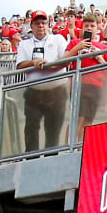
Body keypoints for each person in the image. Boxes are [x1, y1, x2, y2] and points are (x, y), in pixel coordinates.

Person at [15, 12, 70, 152]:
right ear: (31, 26)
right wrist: (33, 63)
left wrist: (48, 64)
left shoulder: (58, 39)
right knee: (31, 129)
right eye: (37, 23)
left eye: (43, 23)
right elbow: (19, 65)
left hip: (57, 91)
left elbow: (66, 59)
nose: (41, 26)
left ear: (48, 25)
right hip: (34, 92)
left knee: (53, 130)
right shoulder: (24, 44)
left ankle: (50, 161)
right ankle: (30, 160)